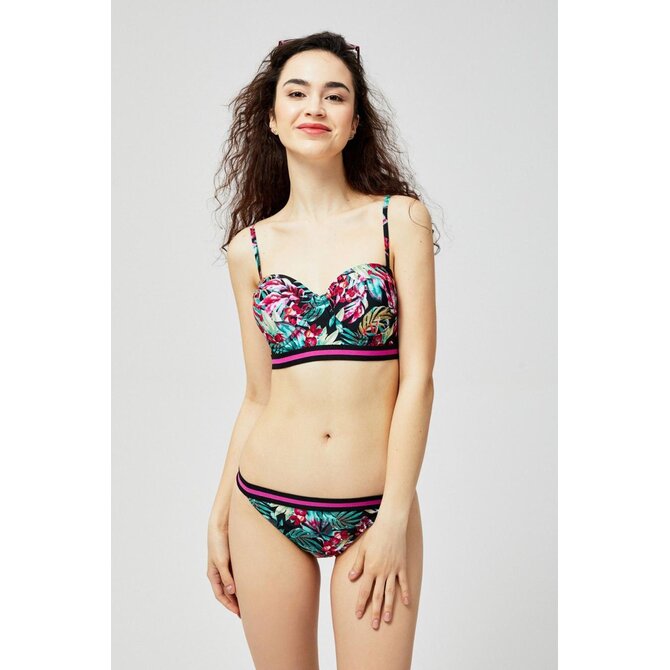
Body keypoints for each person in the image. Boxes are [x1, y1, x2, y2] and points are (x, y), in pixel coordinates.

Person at [207, 31, 438, 670]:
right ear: (272, 118)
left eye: (335, 95)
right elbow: (259, 395)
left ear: (354, 122)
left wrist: (394, 521)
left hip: (377, 509)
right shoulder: (249, 249)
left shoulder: (399, 221)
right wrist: (220, 514)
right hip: (264, 502)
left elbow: (417, 381)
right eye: (297, 93)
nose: (315, 106)